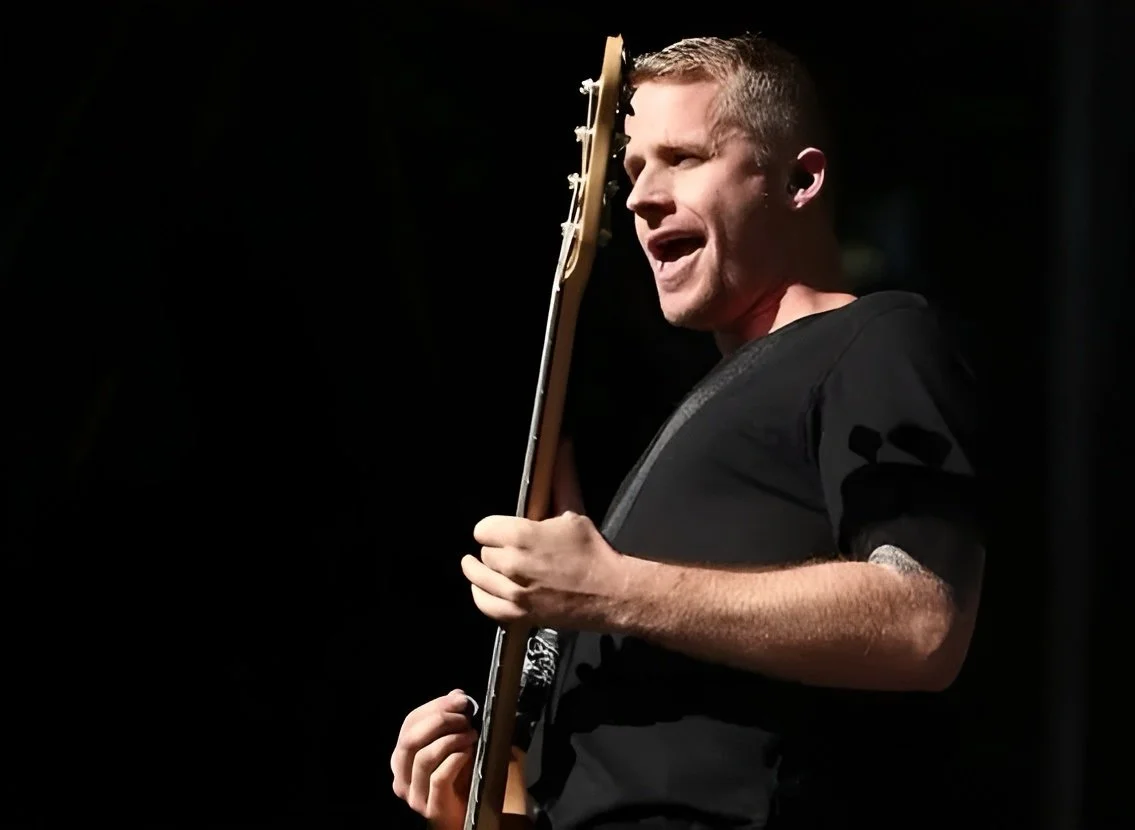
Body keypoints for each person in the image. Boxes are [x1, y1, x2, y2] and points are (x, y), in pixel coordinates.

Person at [391, 35, 985, 829]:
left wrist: (612, 588)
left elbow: (924, 622)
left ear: (800, 180)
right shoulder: (696, 418)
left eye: (683, 158)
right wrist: (484, 807)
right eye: (634, 169)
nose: (641, 197)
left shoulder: (875, 337)